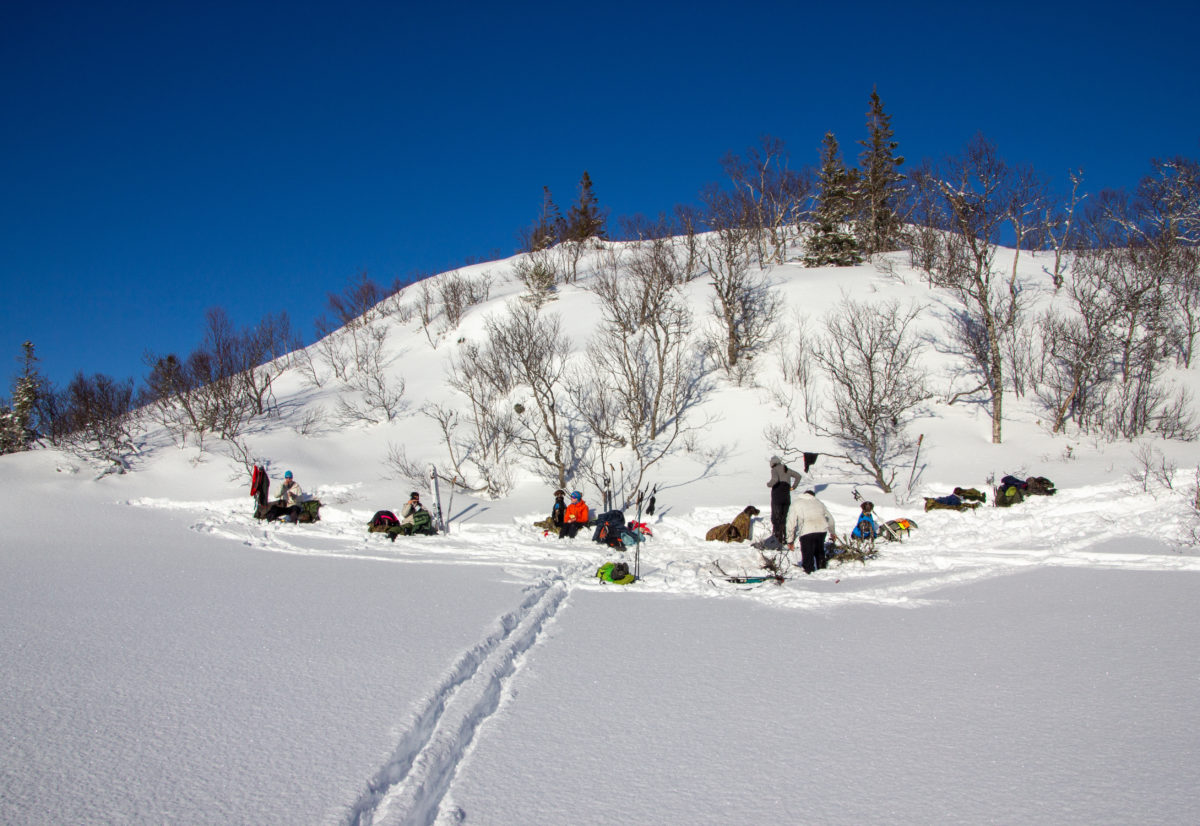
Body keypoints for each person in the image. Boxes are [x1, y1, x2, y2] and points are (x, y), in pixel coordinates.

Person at [786, 489, 838, 574]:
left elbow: (790, 522)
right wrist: (832, 532)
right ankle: (822, 571)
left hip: (806, 531)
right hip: (821, 530)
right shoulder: (819, 502)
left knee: (808, 555)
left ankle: (809, 573)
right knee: (820, 552)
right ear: (813, 496)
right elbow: (830, 519)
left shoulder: (796, 503)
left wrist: (790, 540)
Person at [767, 456, 802, 544]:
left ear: (772, 463)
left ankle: (776, 539)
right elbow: (798, 476)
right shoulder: (786, 469)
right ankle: (785, 538)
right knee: (784, 517)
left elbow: (775, 480)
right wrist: (793, 487)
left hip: (777, 496)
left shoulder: (774, 469)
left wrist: (769, 484)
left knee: (776, 517)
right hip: (786, 496)